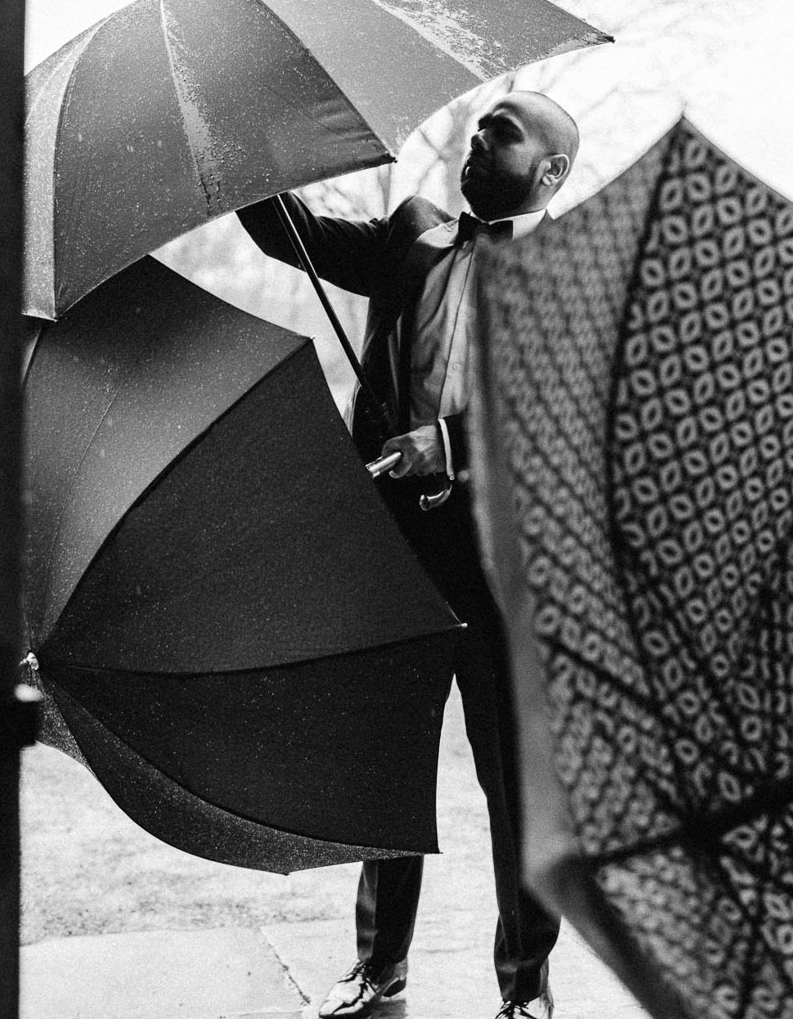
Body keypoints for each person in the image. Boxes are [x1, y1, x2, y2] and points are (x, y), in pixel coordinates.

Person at [237, 91, 579, 1019]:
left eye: (498, 138)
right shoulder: (414, 234)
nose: (474, 145)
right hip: (395, 553)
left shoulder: (575, 274)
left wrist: (453, 446)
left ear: (549, 170)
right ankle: (378, 975)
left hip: (503, 572)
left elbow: (565, 421)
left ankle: (526, 991)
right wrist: (243, 146)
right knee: (386, 769)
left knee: (513, 788)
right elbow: (293, 237)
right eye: (474, 134)